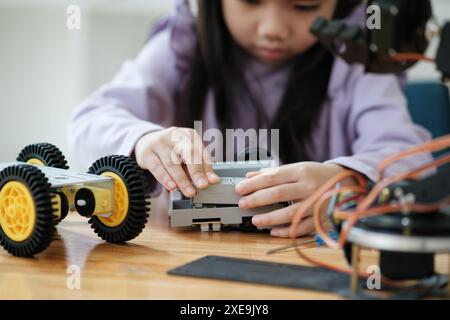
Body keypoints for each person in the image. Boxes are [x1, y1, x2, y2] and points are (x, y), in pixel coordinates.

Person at [67, 0, 432, 238]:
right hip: (184, 267)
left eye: (304, 6)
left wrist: (347, 180)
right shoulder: (183, 45)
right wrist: (144, 141)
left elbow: (411, 159)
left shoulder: (357, 61)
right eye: (250, 1)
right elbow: (88, 120)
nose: (273, 27)